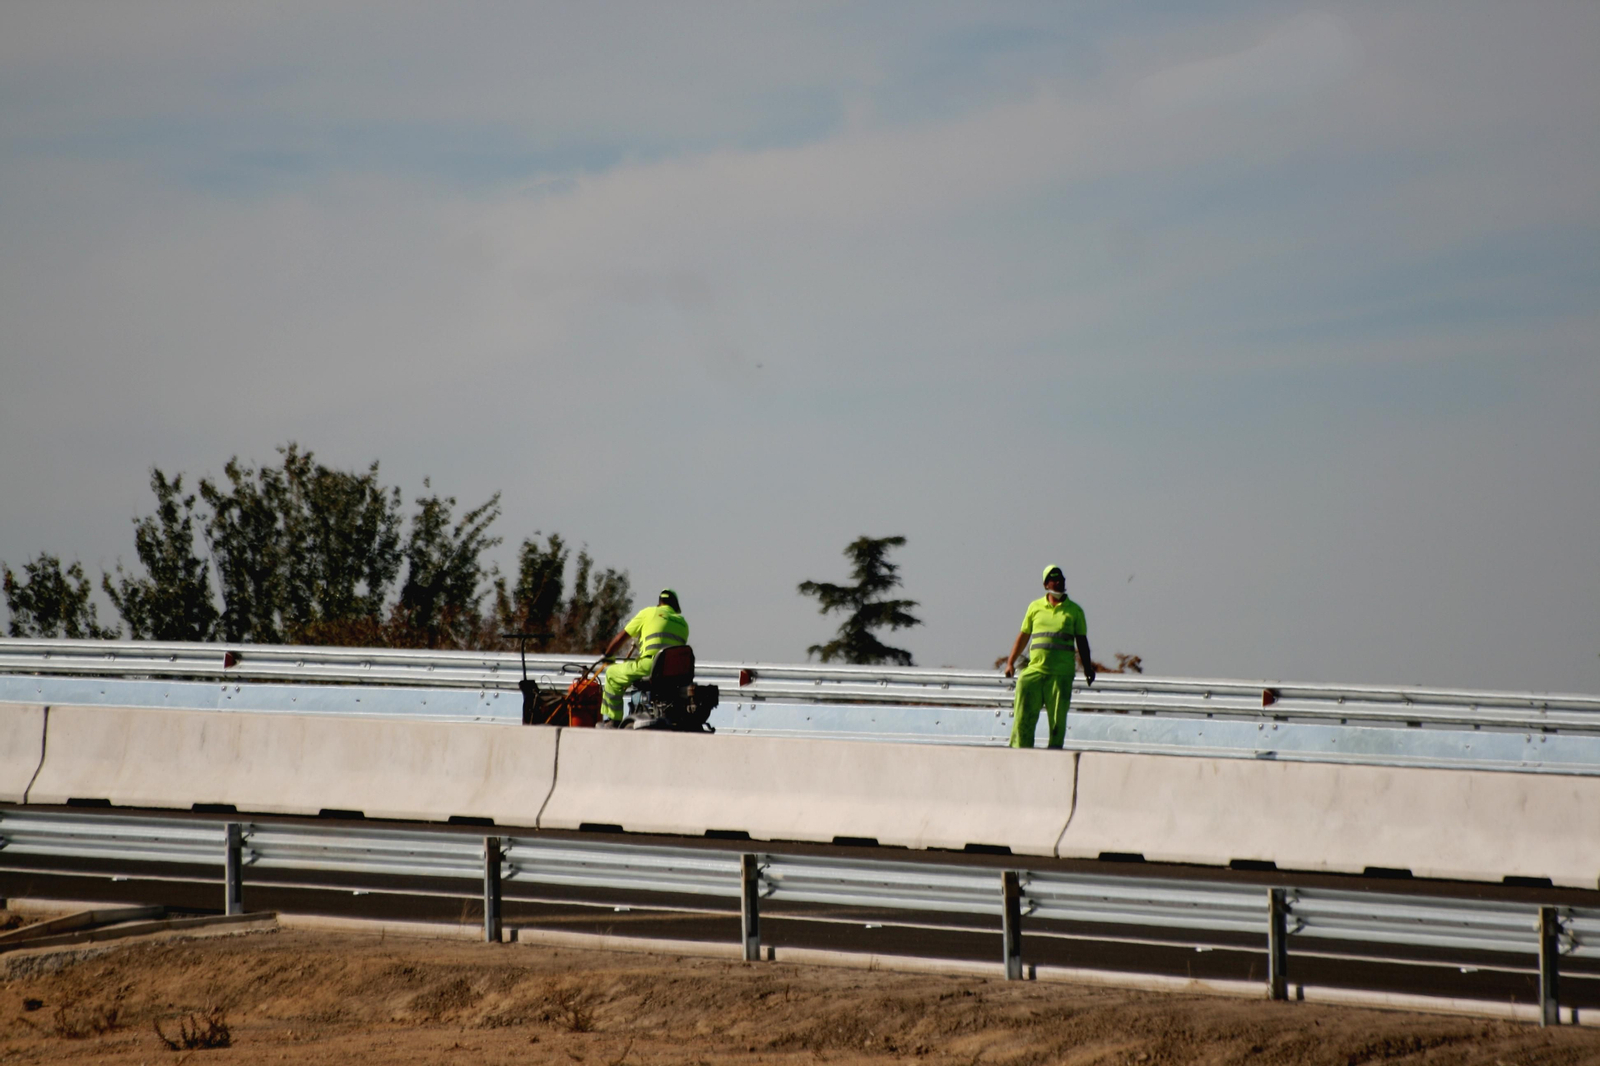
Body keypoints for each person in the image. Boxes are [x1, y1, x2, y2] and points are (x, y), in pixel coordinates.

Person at [1002, 565, 1095, 748]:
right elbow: (1023, 636)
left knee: (1057, 722)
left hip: (1061, 674)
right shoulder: (1035, 607)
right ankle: (1020, 751)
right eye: (1054, 579)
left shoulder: (1074, 611)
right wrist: (1010, 662)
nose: (1059, 582)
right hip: (1036, 670)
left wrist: (1087, 668)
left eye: (1061, 579)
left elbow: (1082, 642)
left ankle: (1054, 755)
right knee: (1023, 714)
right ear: (1046, 584)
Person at [598, 588, 689, 725]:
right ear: (675, 606)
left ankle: (613, 720)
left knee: (612, 674)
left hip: (650, 667)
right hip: (675, 674)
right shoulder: (683, 623)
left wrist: (608, 654)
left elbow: (622, 636)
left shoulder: (648, 613)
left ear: (660, 603)